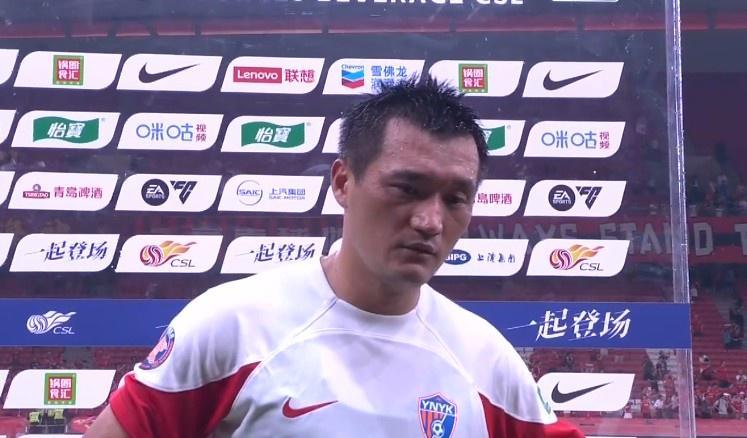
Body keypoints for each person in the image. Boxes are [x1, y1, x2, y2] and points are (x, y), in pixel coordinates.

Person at [84, 78, 583, 437]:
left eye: (455, 199)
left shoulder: (488, 362)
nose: (431, 220)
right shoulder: (233, 325)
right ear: (344, 182)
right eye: (407, 188)